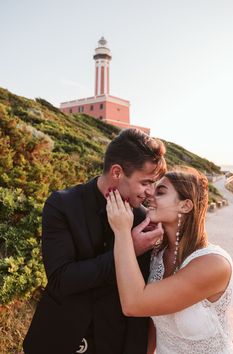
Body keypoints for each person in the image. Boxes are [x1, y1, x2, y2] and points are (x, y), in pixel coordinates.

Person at [23, 128, 167, 354]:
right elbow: (62, 279)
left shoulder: (142, 220)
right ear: (117, 172)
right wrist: (129, 250)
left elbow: (140, 297)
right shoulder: (62, 205)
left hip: (114, 343)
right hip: (58, 339)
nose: (150, 192)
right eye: (146, 182)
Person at [106, 167, 233, 354]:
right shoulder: (157, 255)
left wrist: (121, 232)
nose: (150, 194)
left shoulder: (213, 264)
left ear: (185, 206)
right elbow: (153, 323)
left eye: (160, 191)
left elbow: (134, 304)